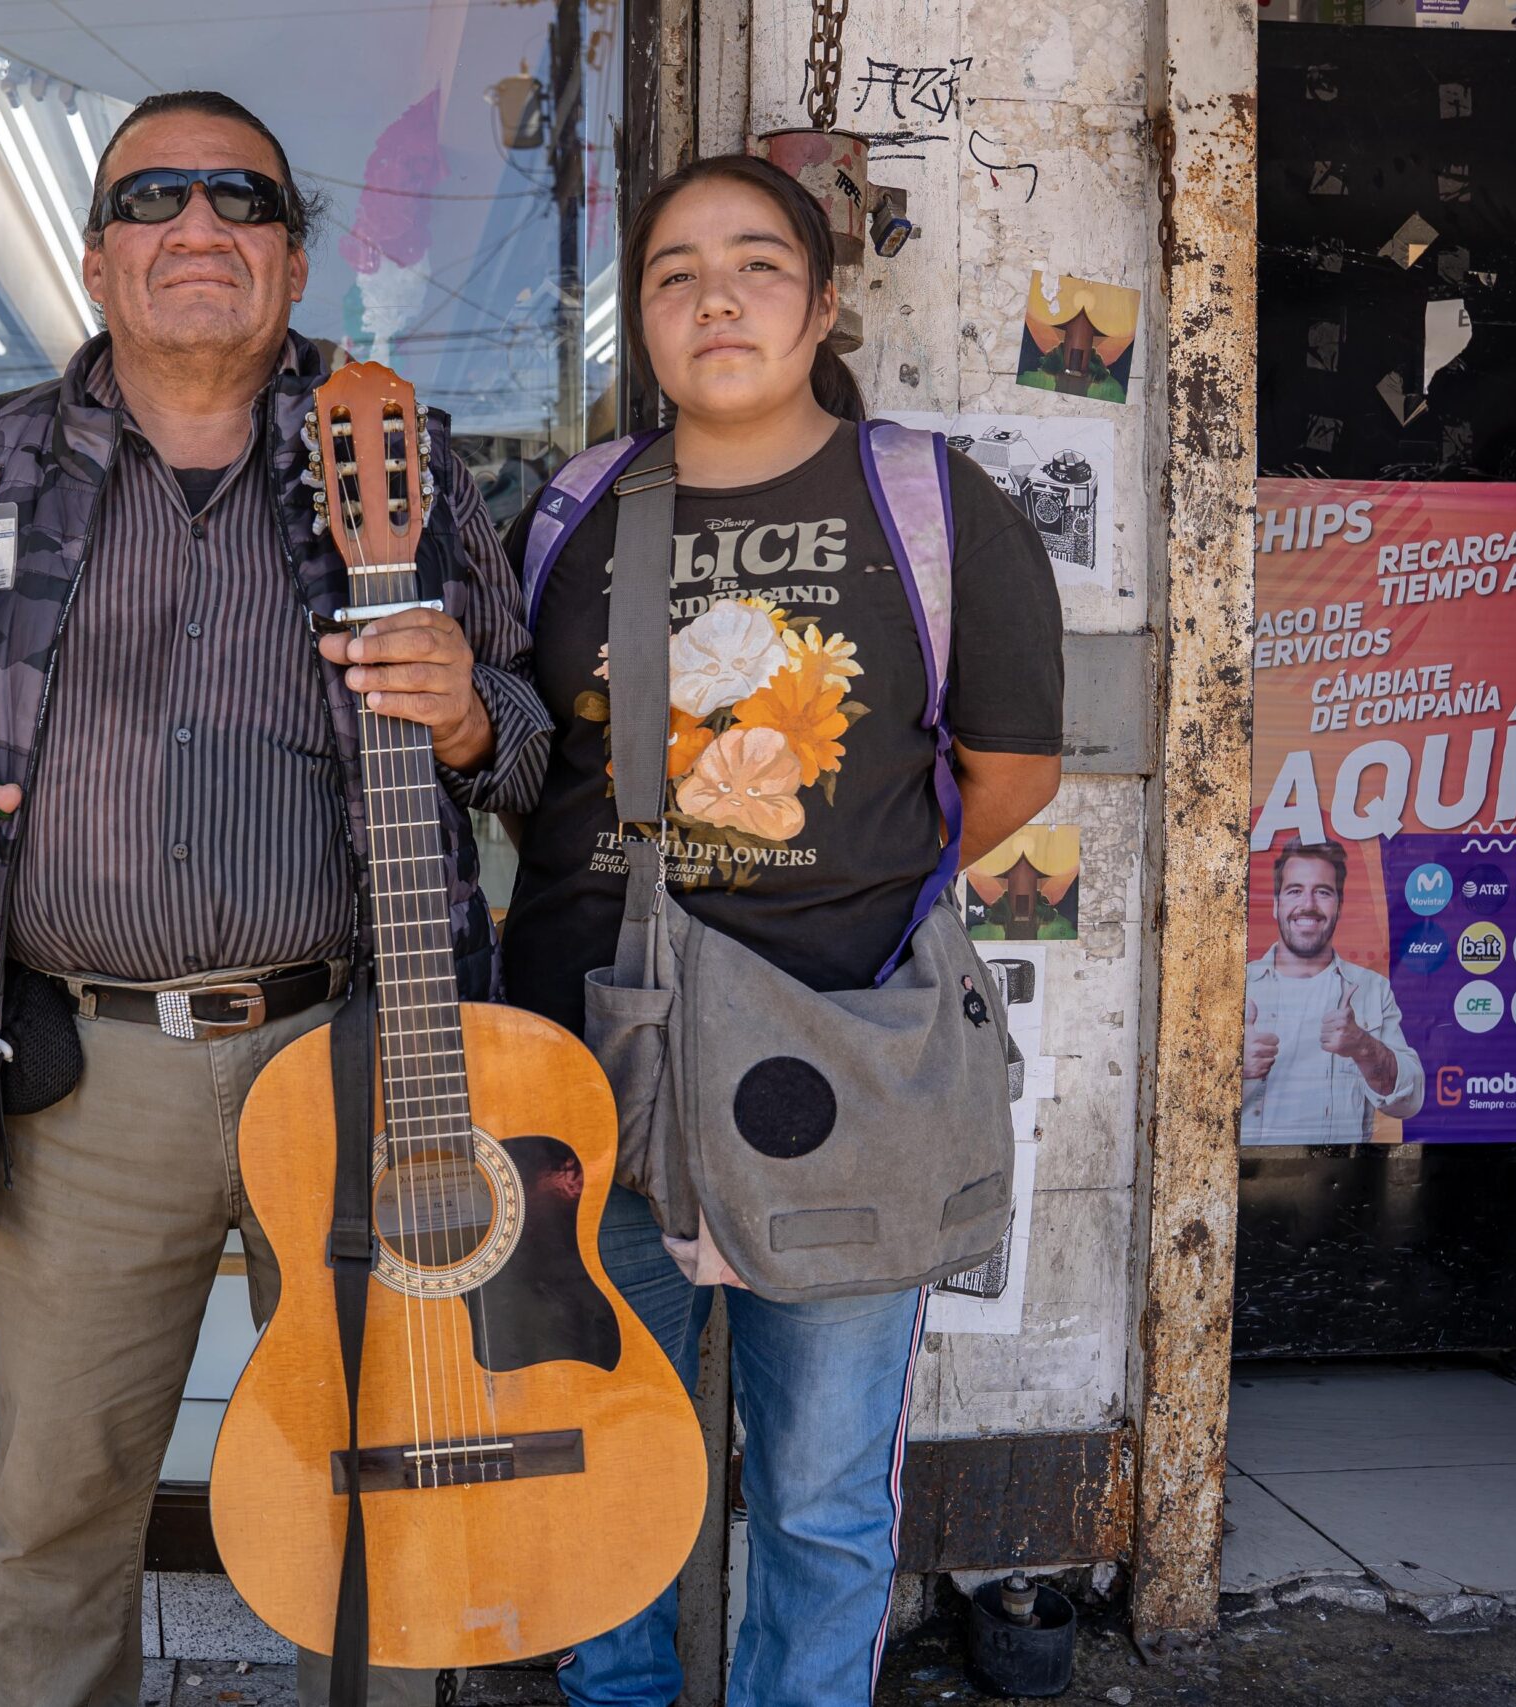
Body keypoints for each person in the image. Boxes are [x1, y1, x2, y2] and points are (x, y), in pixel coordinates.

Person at [0, 90, 548, 1707]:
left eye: (240, 197)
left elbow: (533, 739)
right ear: (96, 260)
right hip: (85, 1079)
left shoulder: (403, 460)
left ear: (293, 256)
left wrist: (472, 715)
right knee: (59, 1496)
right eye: (153, 198)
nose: (198, 225)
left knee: (377, 1475)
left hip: (356, 1058)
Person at [499, 153, 1065, 1706]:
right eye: (675, 273)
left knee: (818, 1493)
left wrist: (832, 901)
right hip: (588, 1069)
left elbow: (1010, 774)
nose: (717, 298)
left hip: (842, 1072)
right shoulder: (573, 513)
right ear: (641, 320)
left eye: (757, 263)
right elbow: (524, 767)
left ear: (821, 305)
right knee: (597, 1455)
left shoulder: (930, 503)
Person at [1240, 840, 1425, 1146]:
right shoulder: (1234, 986)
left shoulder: (1372, 989)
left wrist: (1363, 1047)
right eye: (1294, 890)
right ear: (1275, 904)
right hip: (1246, 1172)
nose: (1308, 904)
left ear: (1339, 905)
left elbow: (1409, 1101)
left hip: (1340, 1173)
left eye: (1323, 892)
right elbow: (1177, 1097)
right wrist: (1232, 1065)